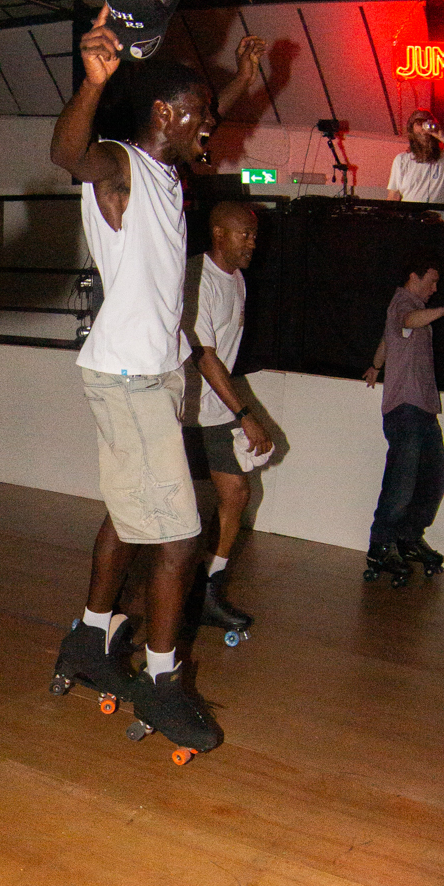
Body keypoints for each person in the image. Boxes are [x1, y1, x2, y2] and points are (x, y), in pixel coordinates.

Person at [47, 8, 222, 753]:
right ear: (166, 115)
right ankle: (159, 677)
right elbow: (67, 154)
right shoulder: (120, 163)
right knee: (180, 537)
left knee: (129, 516)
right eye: (201, 117)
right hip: (129, 378)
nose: (211, 128)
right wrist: (90, 85)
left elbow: (198, 122)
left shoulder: (166, 174)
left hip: (151, 374)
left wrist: (240, 81)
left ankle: (89, 639)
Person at [182, 199, 274, 636]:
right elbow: (202, 353)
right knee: (166, 509)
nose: (252, 243)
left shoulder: (237, 280)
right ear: (219, 233)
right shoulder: (198, 277)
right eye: (245, 234)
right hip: (178, 406)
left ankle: (209, 590)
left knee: (236, 492)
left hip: (214, 407)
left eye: (255, 235)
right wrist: (245, 413)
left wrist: (236, 412)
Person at [362, 250, 444, 584]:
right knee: (401, 484)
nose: (435, 288)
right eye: (432, 280)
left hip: (423, 409)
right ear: (414, 277)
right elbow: (406, 322)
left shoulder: (410, 309)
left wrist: (376, 364)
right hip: (405, 409)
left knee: (433, 481)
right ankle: (380, 544)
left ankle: (407, 538)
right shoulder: (404, 304)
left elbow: (389, 334)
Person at [387, 111, 444, 211]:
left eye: (427, 123)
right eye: (419, 123)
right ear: (411, 128)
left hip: (441, 224)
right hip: (412, 223)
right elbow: (394, 196)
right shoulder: (402, 160)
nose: (424, 128)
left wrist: (443, 137)